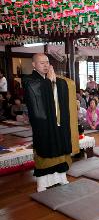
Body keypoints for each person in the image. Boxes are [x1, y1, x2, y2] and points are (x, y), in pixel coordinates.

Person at [23, 53, 79, 192]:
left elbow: (63, 90)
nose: (46, 65)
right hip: (43, 124)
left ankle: (60, 177)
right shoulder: (29, 80)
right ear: (34, 65)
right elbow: (37, 99)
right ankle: (42, 182)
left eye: (47, 62)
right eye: (41, 63)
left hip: (58, 122)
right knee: (45, 148)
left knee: (60, 146)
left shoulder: (55, 79)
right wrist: (49, 82)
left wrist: (55, 82)